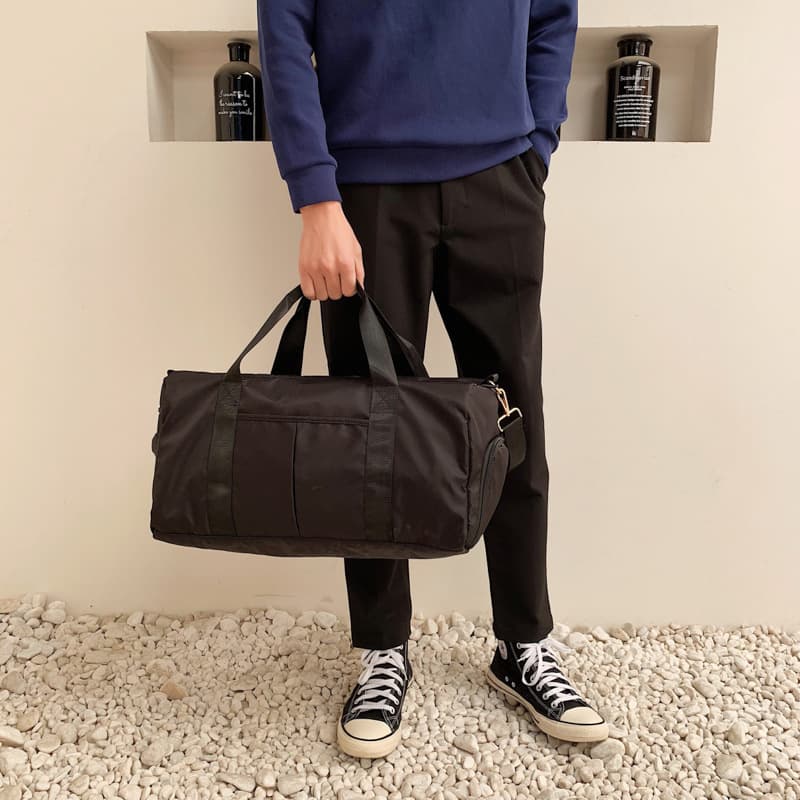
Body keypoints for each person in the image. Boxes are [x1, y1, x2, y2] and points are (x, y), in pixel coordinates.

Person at [257, 0, 609, 759]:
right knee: (369, 434)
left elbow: (553, 15)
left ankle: (523, 642)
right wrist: (316, 195)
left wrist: (537, 144)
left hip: (502, 180)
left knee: (514, 420)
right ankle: (383, 649)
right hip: (364, 191)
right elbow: (283, 29)